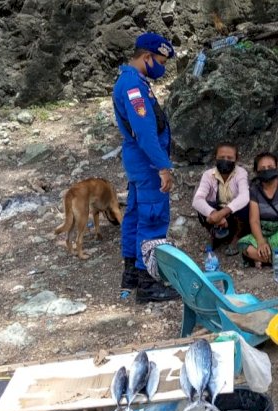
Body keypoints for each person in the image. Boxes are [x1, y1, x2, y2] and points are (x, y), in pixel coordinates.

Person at [113, 32, 179, 303]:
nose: (162, 67)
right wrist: (163, 166)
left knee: (136, 214)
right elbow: (145, 131)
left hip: (138, 160)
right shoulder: (133, 87)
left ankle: (131, 272)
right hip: (147, 161)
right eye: (160, 61)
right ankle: (148, 283)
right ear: (147, 57)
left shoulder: (132, 81)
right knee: (153, 218)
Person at [192, 142, 250, 255]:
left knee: (246, 205)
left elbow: (244, 196)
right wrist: (214, 213)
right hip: (217, 214)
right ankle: (214, 235)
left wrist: (222, 213)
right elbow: (197, 199)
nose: (225, 160)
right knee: (203, 205)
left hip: (234, 214)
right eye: (222, 157)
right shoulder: (208, 175)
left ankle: (237, 237)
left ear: (236, 159)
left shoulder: (241, 173)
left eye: (229, 158)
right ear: (215, 158)